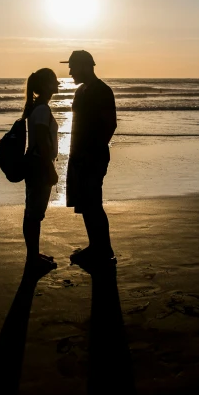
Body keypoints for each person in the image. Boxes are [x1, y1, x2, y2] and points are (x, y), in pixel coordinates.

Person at [61, 50, 117, 269]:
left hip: (93, 157)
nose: (70, 71)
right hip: (79, 156)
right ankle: (96, 246)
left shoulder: (102, 91)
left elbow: (110, 124)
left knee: (94, 204)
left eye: (73, 66)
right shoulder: (81, 91)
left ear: (85, 66)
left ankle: (104, 249)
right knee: (86, 203)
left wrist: (92, 152)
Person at [21, 68, 60, 273]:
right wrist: (50, 168)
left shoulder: (38, 108)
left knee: (33, 212)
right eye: (54, 79)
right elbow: (43, 143)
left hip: (36, 163)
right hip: (39, 165)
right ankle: (33, 259)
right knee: (35, 214)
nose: (57, 82)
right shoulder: (42, 110)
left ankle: (33, 256)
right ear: (46, 86)